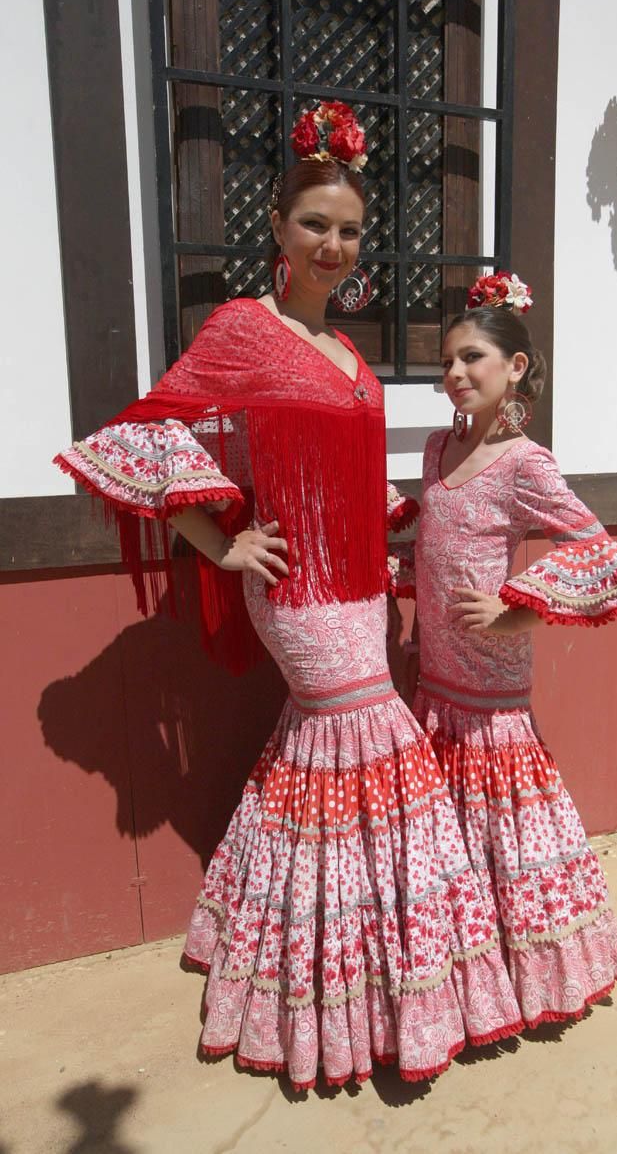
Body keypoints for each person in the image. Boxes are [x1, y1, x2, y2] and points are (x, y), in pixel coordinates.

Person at [54, 105, 524, 1091]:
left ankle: (317, 964)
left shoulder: (351, 356)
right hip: (298, 595)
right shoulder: (240, 330)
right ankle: (338, 993)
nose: (333, 244)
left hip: (357, 589)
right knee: (372, 750)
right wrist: (221, 546)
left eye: (349, 230)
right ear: (275, 225)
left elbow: (351, 482)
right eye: (315, 222)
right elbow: (132, 435)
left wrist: (428, 517)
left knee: (327, 769)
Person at [404, 271, 617, 1027]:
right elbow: (438, 537)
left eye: (473, 358)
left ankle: (531, 979)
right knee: (447, 835)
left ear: (514, 367)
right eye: (447, 361)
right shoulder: (433, 448)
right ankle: (458, 973)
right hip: (434, 678)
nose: (454, 373)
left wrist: (518, 612)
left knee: (504, 831)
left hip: (490, 684)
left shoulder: (525, 463)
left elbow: (596, 548)